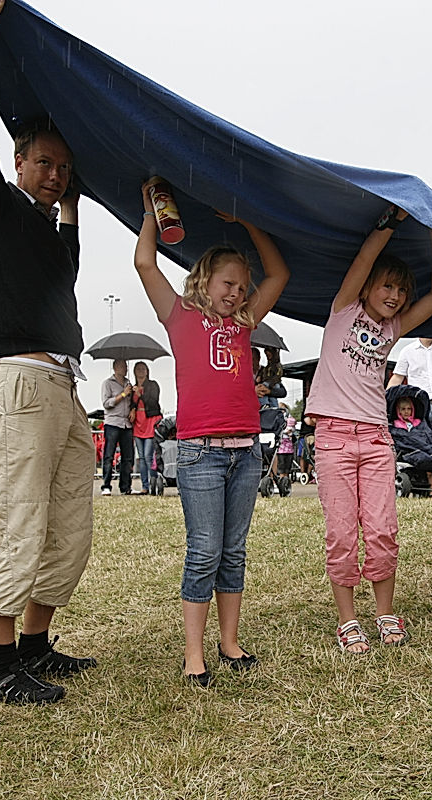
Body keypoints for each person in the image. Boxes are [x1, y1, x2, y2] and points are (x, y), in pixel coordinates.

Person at [0, 0, 98, 706]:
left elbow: (67, 265)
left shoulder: (48, 228)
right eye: (45, 163)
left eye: (63, 168)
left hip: (64, 389)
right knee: (19, 524)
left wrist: (84, 182)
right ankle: (1, 670)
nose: (54, 175)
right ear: (19, 162)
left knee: (71, 525)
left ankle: (38, 646)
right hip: (17, 382)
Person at [133, 177, 289, 687]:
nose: (237, 293)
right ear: (203, 281)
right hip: (199, 452)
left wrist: (247, 225)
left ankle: (230, 642)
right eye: (228, 284)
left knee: (234, 550)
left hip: (245, 452)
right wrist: (151, 216)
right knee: (204, 548)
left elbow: (280, 274)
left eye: (242, 287)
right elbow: (144, 264)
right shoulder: (179, 315)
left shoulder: (244, 322)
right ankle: (194, 653)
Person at [305, 205, 432, 654]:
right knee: (343, 533)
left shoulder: (393, 329)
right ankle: (348, 620)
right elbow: (364, 261)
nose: (394, 294)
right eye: (387, 285)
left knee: (383, 528)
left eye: (401, 290)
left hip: (375, 439)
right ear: (368, 288)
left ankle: (386, 612)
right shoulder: (343, 311)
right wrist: (388, 225)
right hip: (332, 438)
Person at [388, 338, 432, 465]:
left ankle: (427, 468)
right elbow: (398, 376)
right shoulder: (408, 350)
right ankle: (423, 470)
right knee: (416, 441)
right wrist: (386, 398)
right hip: (417, 407)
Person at [100, 359, 133, 497]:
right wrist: (123, 394)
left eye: (125, 366)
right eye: (121, 366)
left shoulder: (128, 383)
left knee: (128, 457)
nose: (124, 369)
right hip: (113, 423)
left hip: (127, 423)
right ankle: (106, 486)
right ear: (114, 368)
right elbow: (107, 403)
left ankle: (125, 487)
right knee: (109, 455)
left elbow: (132, 402)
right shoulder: (107, 383)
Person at [129, 361, 163, 495]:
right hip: (138, 423)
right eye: (138, 369)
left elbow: (153, 401)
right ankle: (144, 486)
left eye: (143, 369)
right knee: (141, 457)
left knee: (149, 456)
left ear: (147, 371)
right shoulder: (132, 388)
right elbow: (132, 404)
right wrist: (132, 409)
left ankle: (153, 483)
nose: (141, 371)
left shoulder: (153, 385)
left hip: (150, 421)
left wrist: (140, 393)